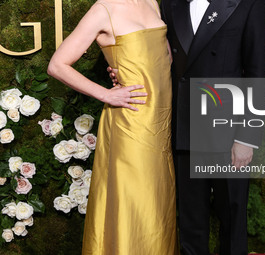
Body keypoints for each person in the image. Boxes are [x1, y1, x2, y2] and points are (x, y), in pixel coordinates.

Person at [109, 0, 265, 254]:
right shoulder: (172, 3)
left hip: (229, 129)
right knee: (190, 219)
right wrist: (126, 69)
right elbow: (158, 56)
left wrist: (247, 138)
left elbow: (258, 73)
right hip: (185, 123)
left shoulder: (250, 3)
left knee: (232, 214)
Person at [47, 0, 179, 254]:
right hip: (130, 122)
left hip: (161, 121)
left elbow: (164, 59)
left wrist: (128, 66)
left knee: (159, 202)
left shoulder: (152, 2)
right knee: (137, 201)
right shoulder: (103, 9)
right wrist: (106, 94)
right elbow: (57, 65)